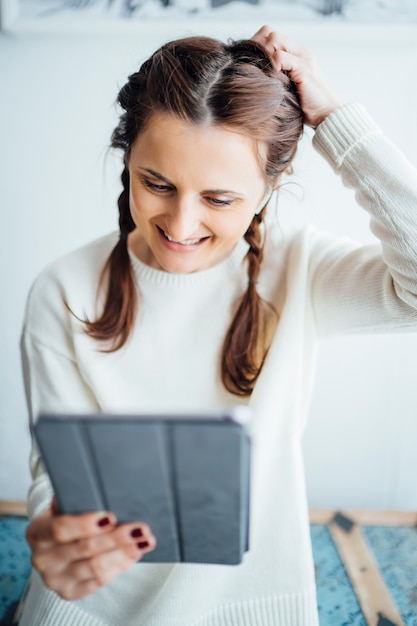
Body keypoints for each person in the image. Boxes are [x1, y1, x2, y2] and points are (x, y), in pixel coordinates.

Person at [18, 24, 417, 626]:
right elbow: (58, 471)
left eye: (220, 198)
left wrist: (336, 120)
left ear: (267, 190)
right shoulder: (62, 289)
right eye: (157, 183)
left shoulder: (298, 270)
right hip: (87, 610)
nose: (181, 223)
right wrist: (56, 532)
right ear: (127, 160)